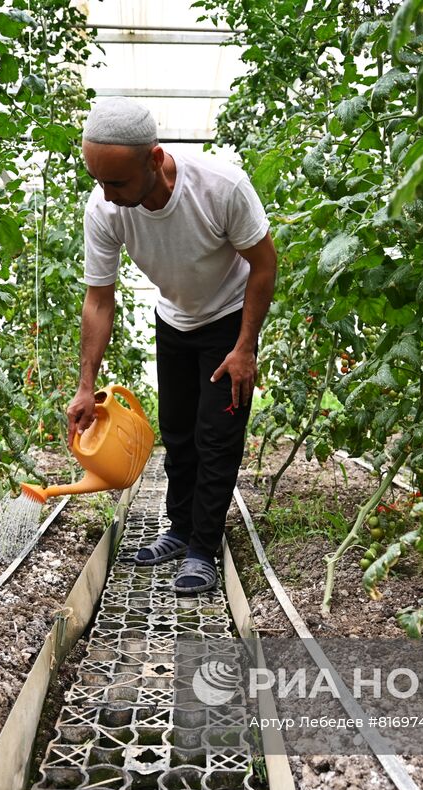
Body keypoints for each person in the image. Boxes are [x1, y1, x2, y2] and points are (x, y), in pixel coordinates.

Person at [66, 98, 276, 596]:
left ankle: (203, 548)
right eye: (98, 181)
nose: (107, 195)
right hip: (174, 320)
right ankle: (179, 529)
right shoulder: (105, 209)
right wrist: (85, 385)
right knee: (177, 432)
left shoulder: (221, 188)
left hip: (228, 320)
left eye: (117, 182)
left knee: (216, 435)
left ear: (155, 159)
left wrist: (246, 347)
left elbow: (264, 265)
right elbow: (99, 299)